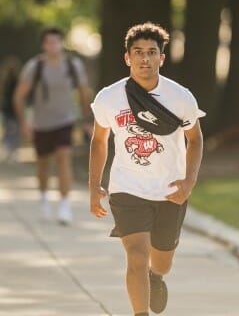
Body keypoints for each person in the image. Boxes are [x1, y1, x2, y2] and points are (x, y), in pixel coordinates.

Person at [89, 22, 205, 316]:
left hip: (169, 190)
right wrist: (94, 186)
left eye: (151, 52)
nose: (144, 59)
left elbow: (195, 139)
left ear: (161, 58)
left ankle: (157, 277)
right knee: (137, 256)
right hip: (127, 188)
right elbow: (99, 141)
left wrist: (189, 182)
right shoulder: (109, 98)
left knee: (161, 260)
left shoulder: (180, 97)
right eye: (138, 52)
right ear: (127, 57)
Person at [14, 27, 91, 225]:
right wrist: (24, 123)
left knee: (64, 159)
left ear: (62, 43)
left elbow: (83, 92)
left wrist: (87, 119)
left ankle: (64, 205)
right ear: (43, 45)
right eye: (49, 42)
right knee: (43, 166)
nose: (53, 46)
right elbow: (19, 96)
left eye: (56, 41)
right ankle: (43, 199)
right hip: (41, 123)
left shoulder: (73, 65)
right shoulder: (35, 66)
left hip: (65, 121)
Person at [0, 56, 21, 162]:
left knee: (10, 130)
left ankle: (10, 149)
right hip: (11, 110)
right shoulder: (15, 81)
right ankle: (11, 150)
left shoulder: (8, 82)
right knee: (13, 130)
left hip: (10, 110)